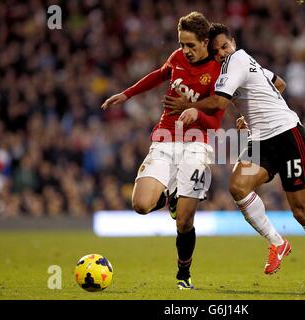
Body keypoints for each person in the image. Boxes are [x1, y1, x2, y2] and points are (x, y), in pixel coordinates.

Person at [165, 23, 305, 289]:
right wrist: (251, 114)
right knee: (238, 186)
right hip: (261, 140)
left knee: (302, 212)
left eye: (225, 46)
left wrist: (189, 105)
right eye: (217, 51)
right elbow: (277, 83)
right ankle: (278, 242)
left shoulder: (237, 59)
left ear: (233, 43)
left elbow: (218, 103)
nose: (223, 53)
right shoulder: (238, 64)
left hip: (287, 135)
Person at [101, 12, 224, 290]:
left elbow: (216, 120)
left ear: (205, 42)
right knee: (141, 205)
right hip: (165, 140)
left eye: (191, 45)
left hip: (197, 144)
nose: (185, 51)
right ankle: (169, 196)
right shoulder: (177, 58)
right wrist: (128, 93)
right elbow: (159, 75)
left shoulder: (218, 72)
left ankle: (183, 273)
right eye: (182, 44)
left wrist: (191, 110)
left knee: (184, 221)